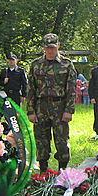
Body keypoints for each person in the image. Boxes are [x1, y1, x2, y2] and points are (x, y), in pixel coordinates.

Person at [27, 33, 77, 173]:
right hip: (41, 106)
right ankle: (43, 171)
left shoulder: (67, 64)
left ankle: (63, 171)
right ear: (44, 48)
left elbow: (72, 89)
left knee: (62, 141)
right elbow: (31, 89)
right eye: (47, 47)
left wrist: (69, 110)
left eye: (53, 47)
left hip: (59, 106)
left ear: (58, 46)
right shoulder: (36, 65)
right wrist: (30, 111)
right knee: (41, 140)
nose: (50, 50)